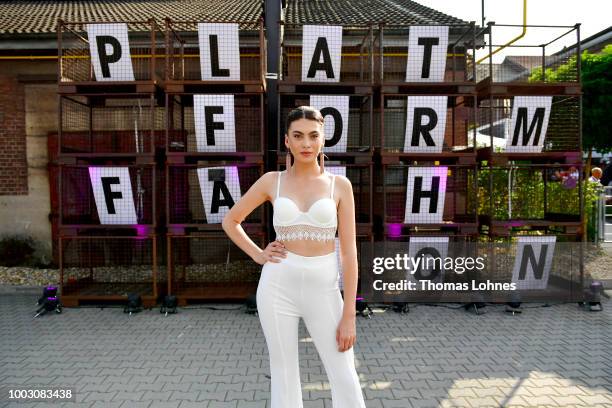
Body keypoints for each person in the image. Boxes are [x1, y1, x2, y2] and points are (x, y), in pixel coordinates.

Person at [222, 106, 367, 408]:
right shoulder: (271, 181)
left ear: (323, 140)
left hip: (325, 289)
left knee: (344, 374)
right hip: (277, 287)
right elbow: (231, 221)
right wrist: (259, 255)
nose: (306, 144)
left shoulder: (339, 186)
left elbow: (350, 252)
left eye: (313, 136)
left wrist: (349, 314)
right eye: (298, 136)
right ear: (287, 141)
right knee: (284, 373)